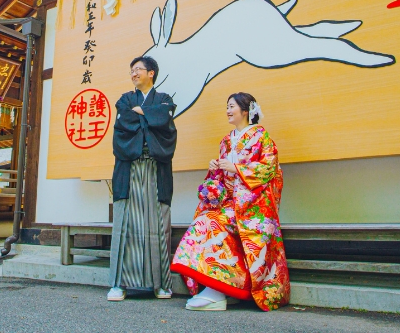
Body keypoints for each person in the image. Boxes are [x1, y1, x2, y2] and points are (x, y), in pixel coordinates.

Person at [171, 92, 290, 311]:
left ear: (246, 111)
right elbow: (223, 179)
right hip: (231, 203)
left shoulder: (260, 137)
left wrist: (235, 168)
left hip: (253, 205)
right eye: (227, 106)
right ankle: (215, 286)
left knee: (215, 225)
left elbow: (268, 169)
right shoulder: (226, 141)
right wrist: (215, 170)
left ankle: (219, 290)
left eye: (232, 106)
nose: (228, 110)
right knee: (205, 220)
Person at [107, 56, 177, 301]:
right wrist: (150, 116)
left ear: (151, 73)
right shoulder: (126, 99)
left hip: (155, 168)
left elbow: (166, 119)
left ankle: (160, 284)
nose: (134, 74)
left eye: (138, 69)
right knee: (126, 224)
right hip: (131, 167)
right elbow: (124, 121)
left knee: (158, 225)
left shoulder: (165, 100)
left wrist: (143, 113)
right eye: (131, 70)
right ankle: (119, 284)